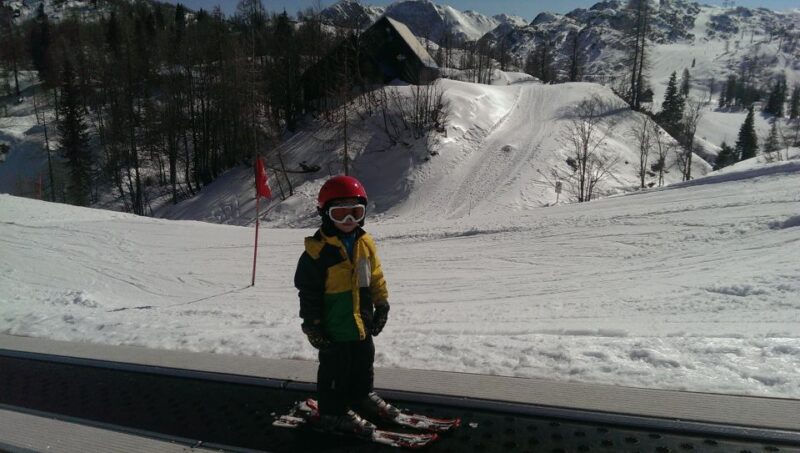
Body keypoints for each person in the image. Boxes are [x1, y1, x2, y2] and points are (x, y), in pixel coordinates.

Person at [294, 175, 395, 434]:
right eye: (340, 213)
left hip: (362, 321)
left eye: (356, 212)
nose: (349, 220)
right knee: (335, 371)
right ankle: (332, 412)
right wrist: (312, 325)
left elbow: (375, 276)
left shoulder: (365, 244)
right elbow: (308, 293)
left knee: (363, 362)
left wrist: (381, 303)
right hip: (333, 327)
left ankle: (361, 395)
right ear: (325, 214)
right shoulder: (317, 253)